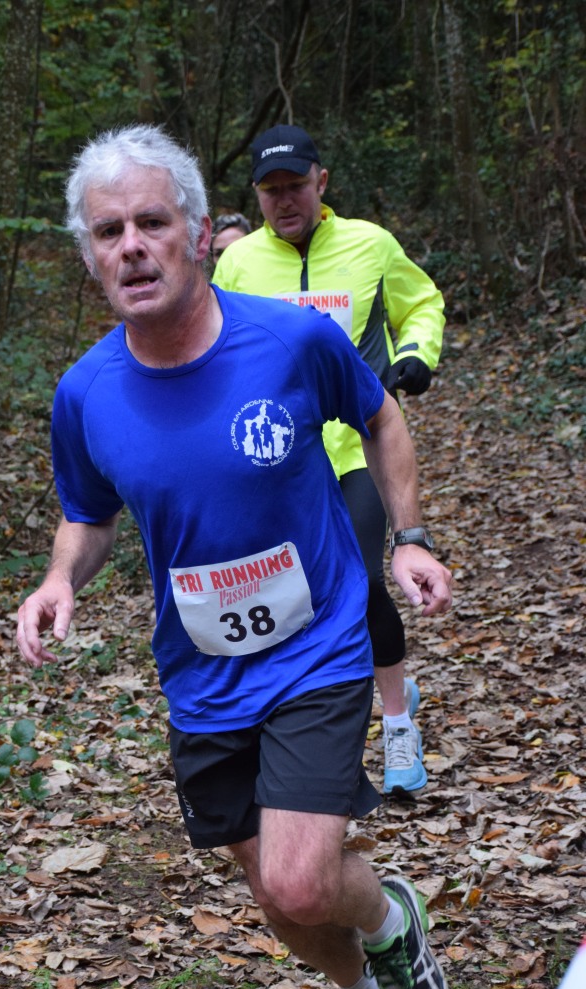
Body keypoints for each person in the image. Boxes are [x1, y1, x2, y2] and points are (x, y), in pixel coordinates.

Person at [16, 124, 452, 989]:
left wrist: (410, 538)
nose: (132, 246)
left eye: (151, 223)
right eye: (108, 232)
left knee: (300, 879)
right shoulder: (85, 394)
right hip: (202, 676)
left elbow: (380, 415)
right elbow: (87, 514)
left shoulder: (290, 342)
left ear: (199, 233)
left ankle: (393, 926)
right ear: (89, 256)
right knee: (274, 897)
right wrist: (60, 581)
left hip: (315, 645)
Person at [213, 124, 445, 799]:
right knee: (289, 597)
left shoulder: (370, 244)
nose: (284, 200)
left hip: (355, 450)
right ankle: (298, 729)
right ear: (256, 195)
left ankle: (396, 721)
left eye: (295, 185)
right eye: (270, 190)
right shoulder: (239, 263)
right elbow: (214, 346)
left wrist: (416, 354)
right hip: (276, 461)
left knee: (362, 582)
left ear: (321, 181)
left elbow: (422, 303)